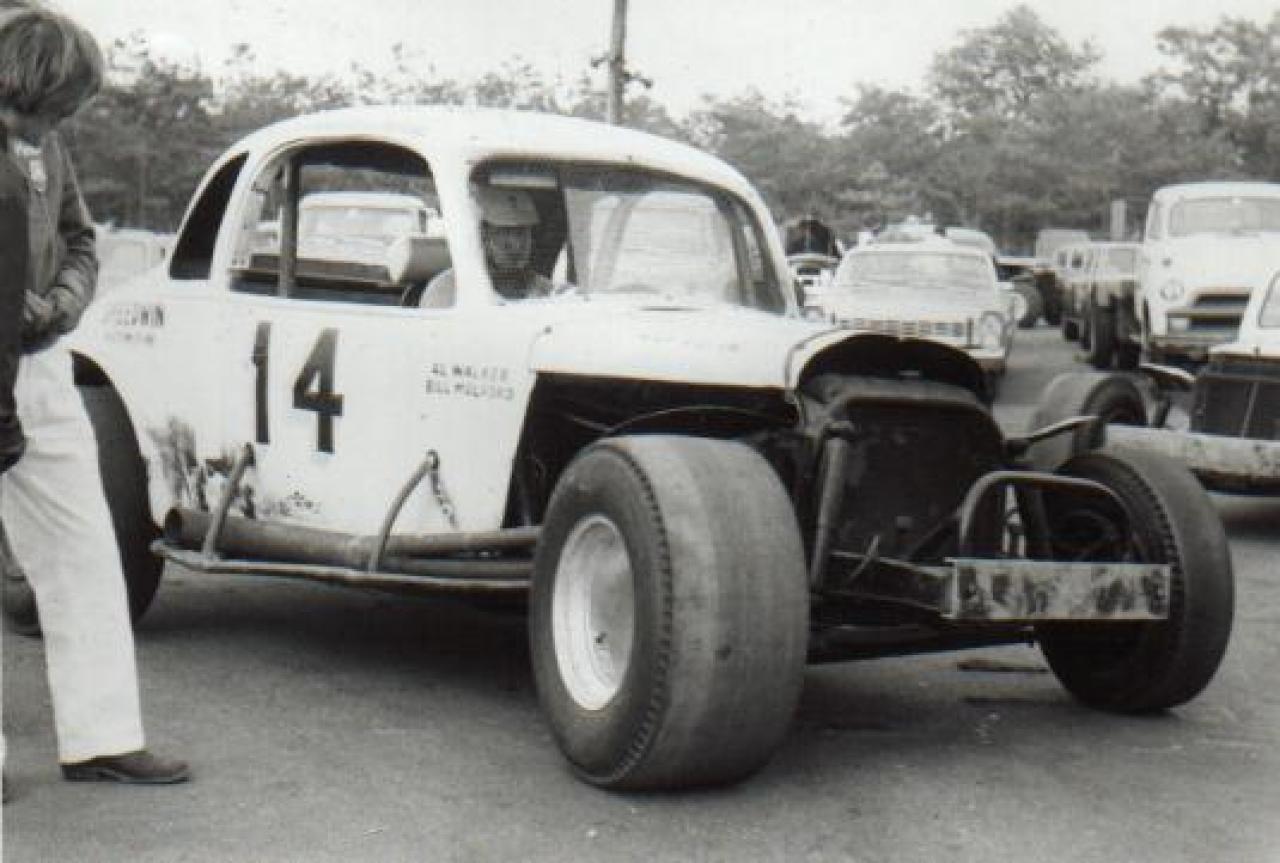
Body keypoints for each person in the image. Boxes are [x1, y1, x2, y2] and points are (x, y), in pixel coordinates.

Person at [0, 2, 188, 789]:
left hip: (40, 366)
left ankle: (101, 737)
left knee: (82, 546)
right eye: (55, 105)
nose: (62, 121)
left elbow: (81, 238)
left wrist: (63, 303)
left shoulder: (48, 144)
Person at [419, 186, 555, 307]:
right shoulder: (445, 291)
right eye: (504, 232)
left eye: (522, 232)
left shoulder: (546, 292)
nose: (516, 244)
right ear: (481, 235)